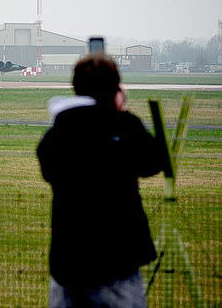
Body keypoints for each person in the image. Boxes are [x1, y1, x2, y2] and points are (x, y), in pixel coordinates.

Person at [36, 54, 167, 307]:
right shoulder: (125, 126)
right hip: (118, 261)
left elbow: (48, 170)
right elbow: (154, 162)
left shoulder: (60, 131)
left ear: (75, 87)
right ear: (115, 88)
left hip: (69, 262)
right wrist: (120, 112)